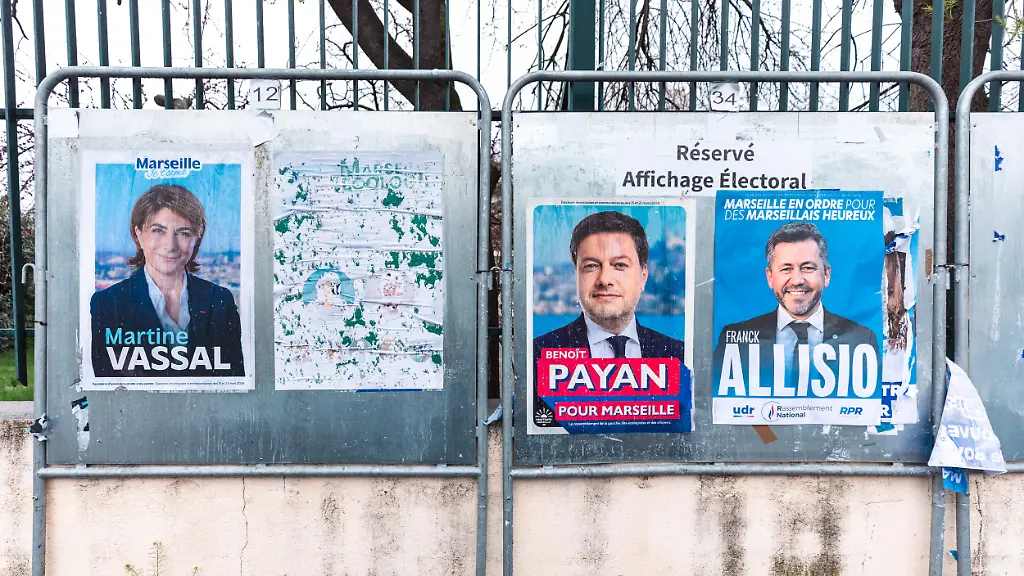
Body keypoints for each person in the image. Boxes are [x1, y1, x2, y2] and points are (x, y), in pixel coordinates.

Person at [90, 184, 244, 377]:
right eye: (158, 230)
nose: (170, 245)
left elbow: (235, 381)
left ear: (197, 238)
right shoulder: (107, 305)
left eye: (184, 233)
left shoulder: (220, 301)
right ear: (138, 234)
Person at [714, 221, 877, 381]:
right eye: (786, 269)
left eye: (808, 268)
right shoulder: (734, 341)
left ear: (826, 275)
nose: (797, 280)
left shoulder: (862, 339)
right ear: (770, 277)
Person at [533, 210, 685, 360]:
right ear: (576, 275)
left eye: (620, 265)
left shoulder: (680, 355)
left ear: (643, 277)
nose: (605, 280)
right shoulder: (537, 356)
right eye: (591, 266)